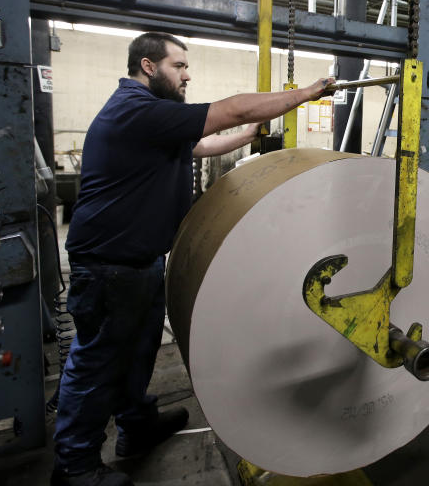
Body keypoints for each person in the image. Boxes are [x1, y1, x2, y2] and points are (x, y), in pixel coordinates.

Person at [52, 32, 333, 486]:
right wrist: (303, 95)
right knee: (98, 362)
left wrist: (246, 137)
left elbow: (201, 146)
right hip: (109, 264)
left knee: (139, 351)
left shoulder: (152, 120)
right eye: (178, 66)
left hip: (138, 261)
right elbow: (235, 107)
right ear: (148, 66)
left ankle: (135, 426)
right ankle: (74, 466)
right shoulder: (137, 111)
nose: (187, 74)